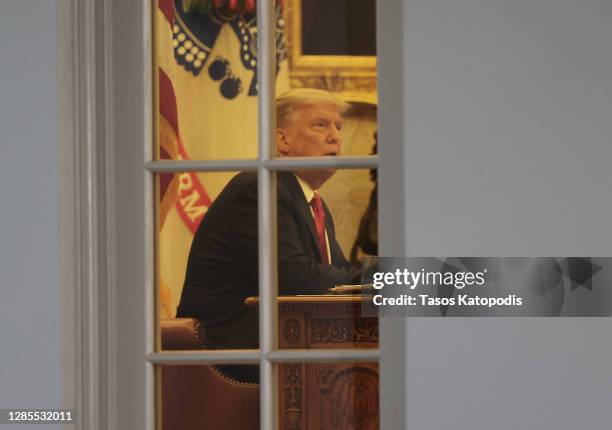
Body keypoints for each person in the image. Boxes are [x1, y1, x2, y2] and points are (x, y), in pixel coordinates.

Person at [176, 88, 359, 382]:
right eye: (321, 125)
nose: (335, 136)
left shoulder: (313, 202)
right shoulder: (258, 189)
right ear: (282, 140)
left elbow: (340, 277)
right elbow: (298, 281)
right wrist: (380, 278)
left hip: (286, 345)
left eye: (338, 127)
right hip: (234, 358)